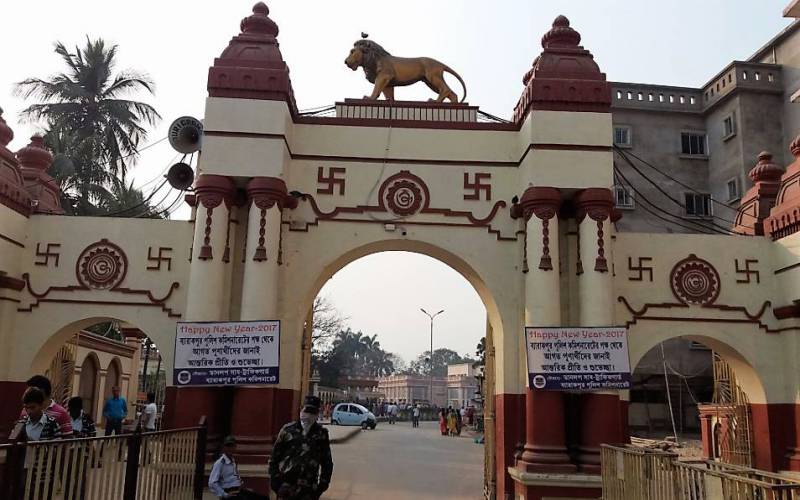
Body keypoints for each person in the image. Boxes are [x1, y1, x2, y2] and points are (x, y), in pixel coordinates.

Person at [268, 395, 333, 500]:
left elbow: (327, 462)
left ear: (317, 414)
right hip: (286, 485)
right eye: (307, 411)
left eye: (312, 412)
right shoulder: (288, 430)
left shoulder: (321, 434)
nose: (308, 415)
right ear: (301, 409)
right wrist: (275, 480)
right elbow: (274, 457)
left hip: (309, 488)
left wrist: (323, 484)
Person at [16, 387, 62, 499]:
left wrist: (38, 447)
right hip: (24, 474)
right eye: (26, 408)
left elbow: (57, 450)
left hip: (43, 476)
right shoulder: (21, 424)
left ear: (41, 405)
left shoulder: (52, 424)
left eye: (32, 407)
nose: (29, 411)